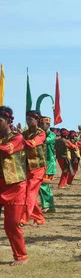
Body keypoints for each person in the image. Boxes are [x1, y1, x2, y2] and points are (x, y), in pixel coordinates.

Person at [0, 106, 29, 265]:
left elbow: (6, 150)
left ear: (8, 121)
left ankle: (21, 256)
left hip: (15, 187)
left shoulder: (17, 138)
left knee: (11, 225)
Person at [21, 110, 47, 226]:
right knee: (27, 193)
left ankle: (24, 218)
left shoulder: (41, 133)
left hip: (38, 168)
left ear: (37, 120)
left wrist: (19, 140)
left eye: (30, 119)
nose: (28, 121)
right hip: (27, 167)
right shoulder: (25, 133)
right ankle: (39, 217)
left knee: (30, 192)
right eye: (27, 119)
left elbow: (32, 143)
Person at [39, 116, 56, 213]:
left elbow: (44, 140)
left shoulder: (51, 135)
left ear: (48, 125)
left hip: (48, 164)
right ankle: (50, 206)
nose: (40, 126)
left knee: (43, 184)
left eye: (43, 124)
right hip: (41, 164)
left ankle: (47, 205)